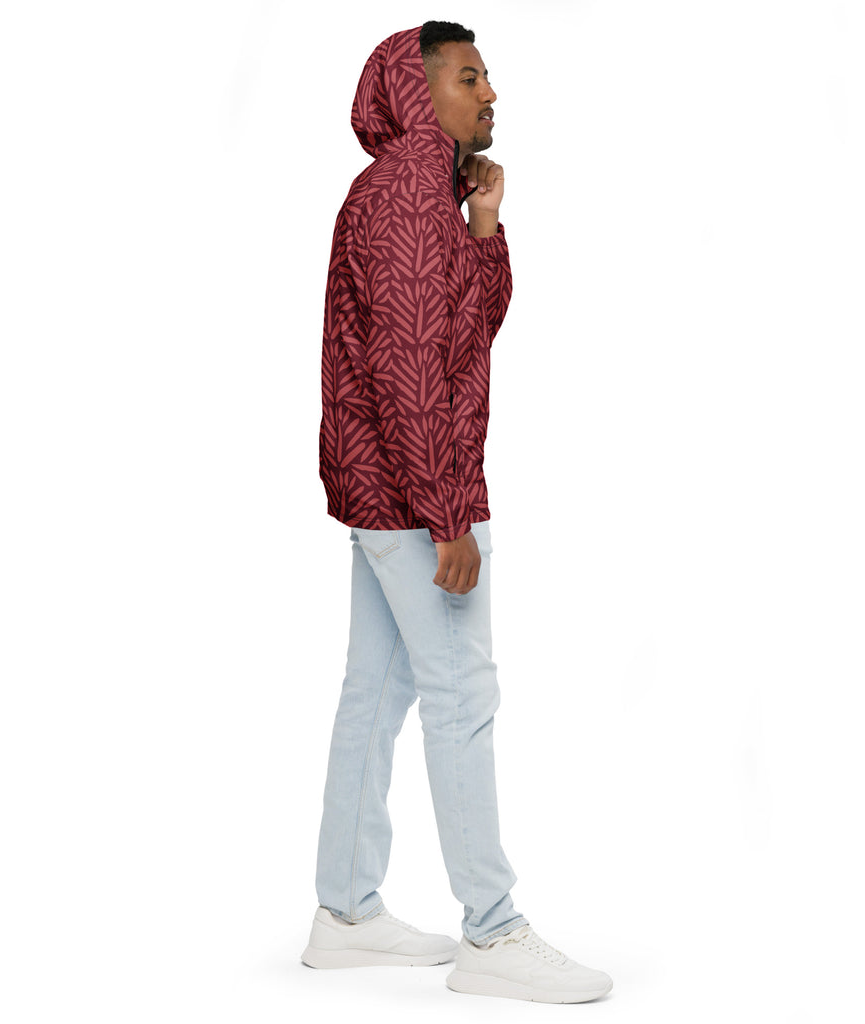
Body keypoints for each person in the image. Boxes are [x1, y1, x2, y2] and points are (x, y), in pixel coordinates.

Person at [303, 22, 613, 1004]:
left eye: (488, 78)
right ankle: (492, 928)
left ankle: (345, 912)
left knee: (377, 690)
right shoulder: (403, 194)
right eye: (470, 77)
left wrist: (484, 221)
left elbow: (473, 325)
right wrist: (447, 517)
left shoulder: (423, 194)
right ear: (416, 90)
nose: (490, 95)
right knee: (461, 695)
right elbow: (407, 369)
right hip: (413, 491)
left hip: (385, 486)